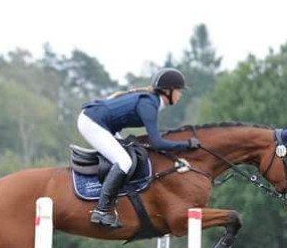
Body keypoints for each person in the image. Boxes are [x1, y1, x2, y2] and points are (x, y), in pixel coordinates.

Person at [77, 67, 200, 228]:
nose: (180, 94)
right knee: (124, 162)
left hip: (105, 125)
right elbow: (157, 143)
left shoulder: (151, 102)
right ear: (168, 91)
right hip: (92, 122)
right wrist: (187, 145)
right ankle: (100, 211)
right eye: (178, 90)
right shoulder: (149, 105)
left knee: (129, 154)